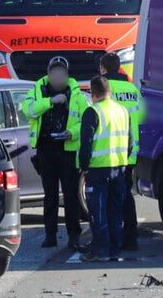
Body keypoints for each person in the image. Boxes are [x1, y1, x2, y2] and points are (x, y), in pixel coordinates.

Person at [21, 56, 88, 249]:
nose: (58, 78)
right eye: (54, 74)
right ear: (49, 74)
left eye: (62, 74)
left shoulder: (77, 94)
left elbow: (86, 121)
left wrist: (72, 133)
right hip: (46, 150)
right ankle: (50, 235)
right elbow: (29, 111)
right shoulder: (37, 90)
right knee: (49, 195)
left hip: (67, 150)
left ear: (67, 75)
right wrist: (50, 101)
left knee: (70, 196)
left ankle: (73, 236)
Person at [78, 76, 132, 263]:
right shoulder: (123, 111)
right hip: (119, 167)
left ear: (92, 93)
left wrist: (84, 167)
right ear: (110, 92)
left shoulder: (92, 112)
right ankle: (114, 248)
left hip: (98, 169)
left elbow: (86, 143)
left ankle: (101, 249)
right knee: (115, 210)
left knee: (97, 211)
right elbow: (130, 142)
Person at [98, 52, 143, 251]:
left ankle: (116, 238)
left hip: (113, 151)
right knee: (126, 194)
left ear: (103, 69)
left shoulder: (106, 88)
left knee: (113, 197)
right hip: (131, 151)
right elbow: (141, 116)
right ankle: (130, 237)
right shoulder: (131, 88)